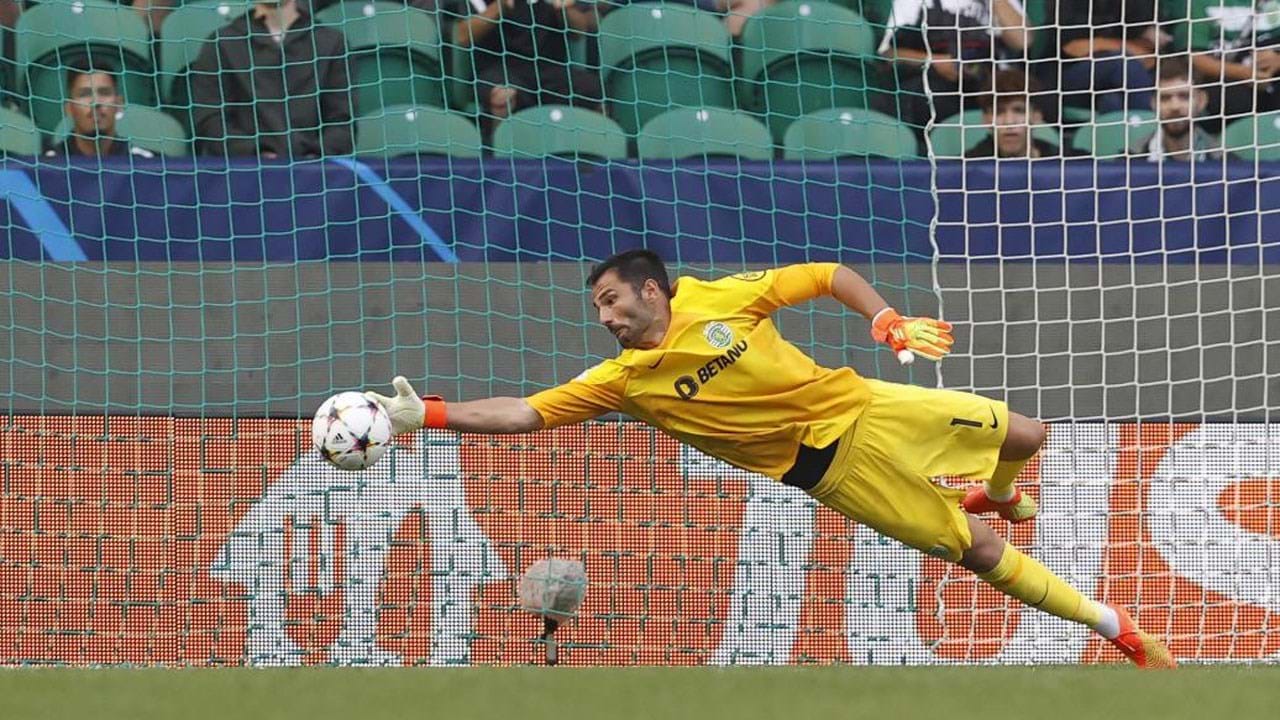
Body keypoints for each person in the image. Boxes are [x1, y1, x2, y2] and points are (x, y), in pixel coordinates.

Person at [365, 249, 1177, 670]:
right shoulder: (622, 381)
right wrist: (423, 414)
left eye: (611, 300)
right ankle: (1123, 633)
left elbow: (824, 275)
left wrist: (886, 318)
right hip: (828, 472)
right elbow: (524, 412)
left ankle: (995, 491)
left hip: (865, 403)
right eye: (597, 310)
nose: (605, 318)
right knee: (980, 556)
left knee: (1028, 436)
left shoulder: (720, 297)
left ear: (655, 291)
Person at [189, 0, 353, 159]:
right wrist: (254, 152)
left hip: (315, 173)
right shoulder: (221, 43)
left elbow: (343, 121)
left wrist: (314, 155)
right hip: (243, 171)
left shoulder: (332, 43)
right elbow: (209, 119)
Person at [451, 0, 603, 135]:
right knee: (503, 94)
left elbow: (578, 32)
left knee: (592, 89)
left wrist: (565, 9)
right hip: (498, 68)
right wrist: (501, 5)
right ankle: (501, 158)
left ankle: (600, 158)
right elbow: (463, 36)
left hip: (548, 68)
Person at [877, 0, 1030, 131]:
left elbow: (1023, 41)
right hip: (932, 88)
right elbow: (889, 53)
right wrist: (934, 61)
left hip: (991, 91)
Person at [1057, 0, 1166, 115]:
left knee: (1113, 102)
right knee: (1125, 64)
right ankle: (1150, 129)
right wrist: (1135, 35)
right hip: (1070, 73)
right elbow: (1067, 39)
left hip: (1128, 79)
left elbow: (1154, 31)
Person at [44, 63, 155, 160]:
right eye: (84, 94)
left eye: (104, 93)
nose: (95, 102)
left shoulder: (146, 164)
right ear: (69, 108)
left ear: (119, 104)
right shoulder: (48, 166)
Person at [1143, 56, 1222, 162]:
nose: (1175, 106)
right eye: (1165, 98)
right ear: (1153, 103)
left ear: (1201, 101)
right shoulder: (1129, 162)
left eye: (1184, 96)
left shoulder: (1226, 164)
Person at [966, 70, 1060, 158]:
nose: (1009, 122)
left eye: (1019, 110)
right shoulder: (965, 168)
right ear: (986, 119)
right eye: (999, 112)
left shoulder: (1063, 163)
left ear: (1036, 116)